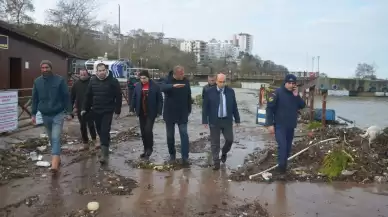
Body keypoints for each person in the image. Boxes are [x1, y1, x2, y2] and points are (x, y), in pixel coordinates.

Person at [31, 60, 72, 172]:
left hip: (58, 113)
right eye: (43, 68)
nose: (45, 70)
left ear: (51, 68)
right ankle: (57, 158)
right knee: (51, 138)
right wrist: (33, 114)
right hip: (45, 114)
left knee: (55, 137)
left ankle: (54, 165)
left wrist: (69, 112)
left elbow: (66, 96)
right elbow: (34, 99)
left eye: (47, 67)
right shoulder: (37, 82)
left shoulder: (59, 80)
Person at [265, 74, 306, 176]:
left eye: (293, 83)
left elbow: (302, 105)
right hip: (279, 125)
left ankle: (283, 166)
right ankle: (281, 170)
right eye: (289, 83)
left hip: (291, 125)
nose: (291, 85)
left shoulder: (294, 94)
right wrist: (269, 124)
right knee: (282, 146)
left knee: (287, 148)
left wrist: (297, 95)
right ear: (285, 83)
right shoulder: (277, 93)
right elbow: (269, 109)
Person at [82, 63, 122, 164]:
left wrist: (117, 110)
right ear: (96, 72)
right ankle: (105, 144)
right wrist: (84, 108)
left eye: (103, 70)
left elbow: (118, 96)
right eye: (99, 71)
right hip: (96, 110)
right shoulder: (93, 81)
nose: (102, 72)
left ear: (106, 70)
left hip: (108, 110)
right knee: (100, 130)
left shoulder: (113, 81)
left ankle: (104, 155)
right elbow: (88, 96)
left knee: (104, 130)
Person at [202, 73, 240, 170]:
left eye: (224, 82)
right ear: (216, 81)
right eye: (220, 82)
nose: (222, 84)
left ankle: (224, 152)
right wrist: (204, 120)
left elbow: (234, 106)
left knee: (230, 140)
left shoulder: (230, 92)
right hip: (214, 120)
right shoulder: (209, 92)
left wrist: (237, 119)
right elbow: (205, 107)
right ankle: (216, 162)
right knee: (215, 142)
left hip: (227, 120)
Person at [159, 65, 192, 166]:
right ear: (175, 74)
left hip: (182, 113)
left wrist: (188, 110)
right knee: (170, 136)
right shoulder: (167, 80)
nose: (183, 75)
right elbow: (161, 87)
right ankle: (172, 155)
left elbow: (188, 96)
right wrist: (173, 86)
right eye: (180, 74)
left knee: (184, 134)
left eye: (183, 73)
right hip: (169, 113)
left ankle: (185, 157)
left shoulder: (186, 81)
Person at [129, 70, 163, 160]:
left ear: (148, 78)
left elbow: (160, 99)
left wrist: (159, 111)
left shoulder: (155, 86)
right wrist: (132, 108)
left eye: (144, 78)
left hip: (151, 112)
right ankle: (145, 149)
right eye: (141, 78)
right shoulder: (138, 86)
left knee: (148, 130)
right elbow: (134, 97)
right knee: (143, 132)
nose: (143, 80)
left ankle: (149, 148)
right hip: (141, 112)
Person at [71, 68, 97, 149]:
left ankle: (94, 139)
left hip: (90, 107)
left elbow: (96, 94)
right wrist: (70, 109)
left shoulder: (92, 82)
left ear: (87, 74)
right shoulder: (76, 84)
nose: (82, 76)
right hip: (80, 108)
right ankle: (85, 141)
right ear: (79, 75)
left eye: (84, 75)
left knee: (91, 124)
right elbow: (72, 96)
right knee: (82, 126)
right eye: (81, 75)